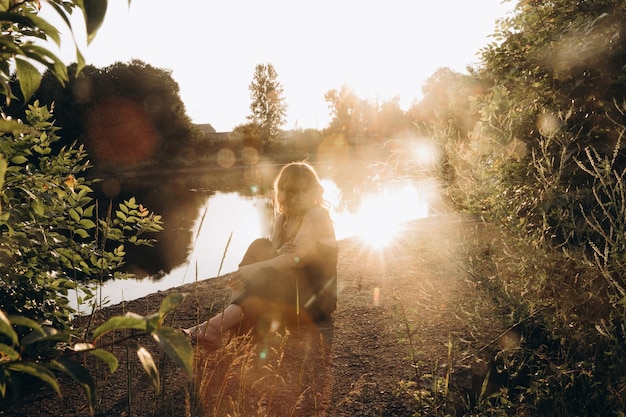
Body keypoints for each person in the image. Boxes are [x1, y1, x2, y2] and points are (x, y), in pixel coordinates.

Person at [184, 161, 338, 348]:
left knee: (265, 270)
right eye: (292, 191)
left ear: (313, 190)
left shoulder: (316, 214)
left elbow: (291, 259)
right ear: (283, 192)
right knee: (260, 245)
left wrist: (250, 269)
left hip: (315, 301)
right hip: (287, 295)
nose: (298, 197)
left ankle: (216, 326)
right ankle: (233, 323)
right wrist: (274, 256)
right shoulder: (283, 219)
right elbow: (269, 255)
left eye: (304, 190)